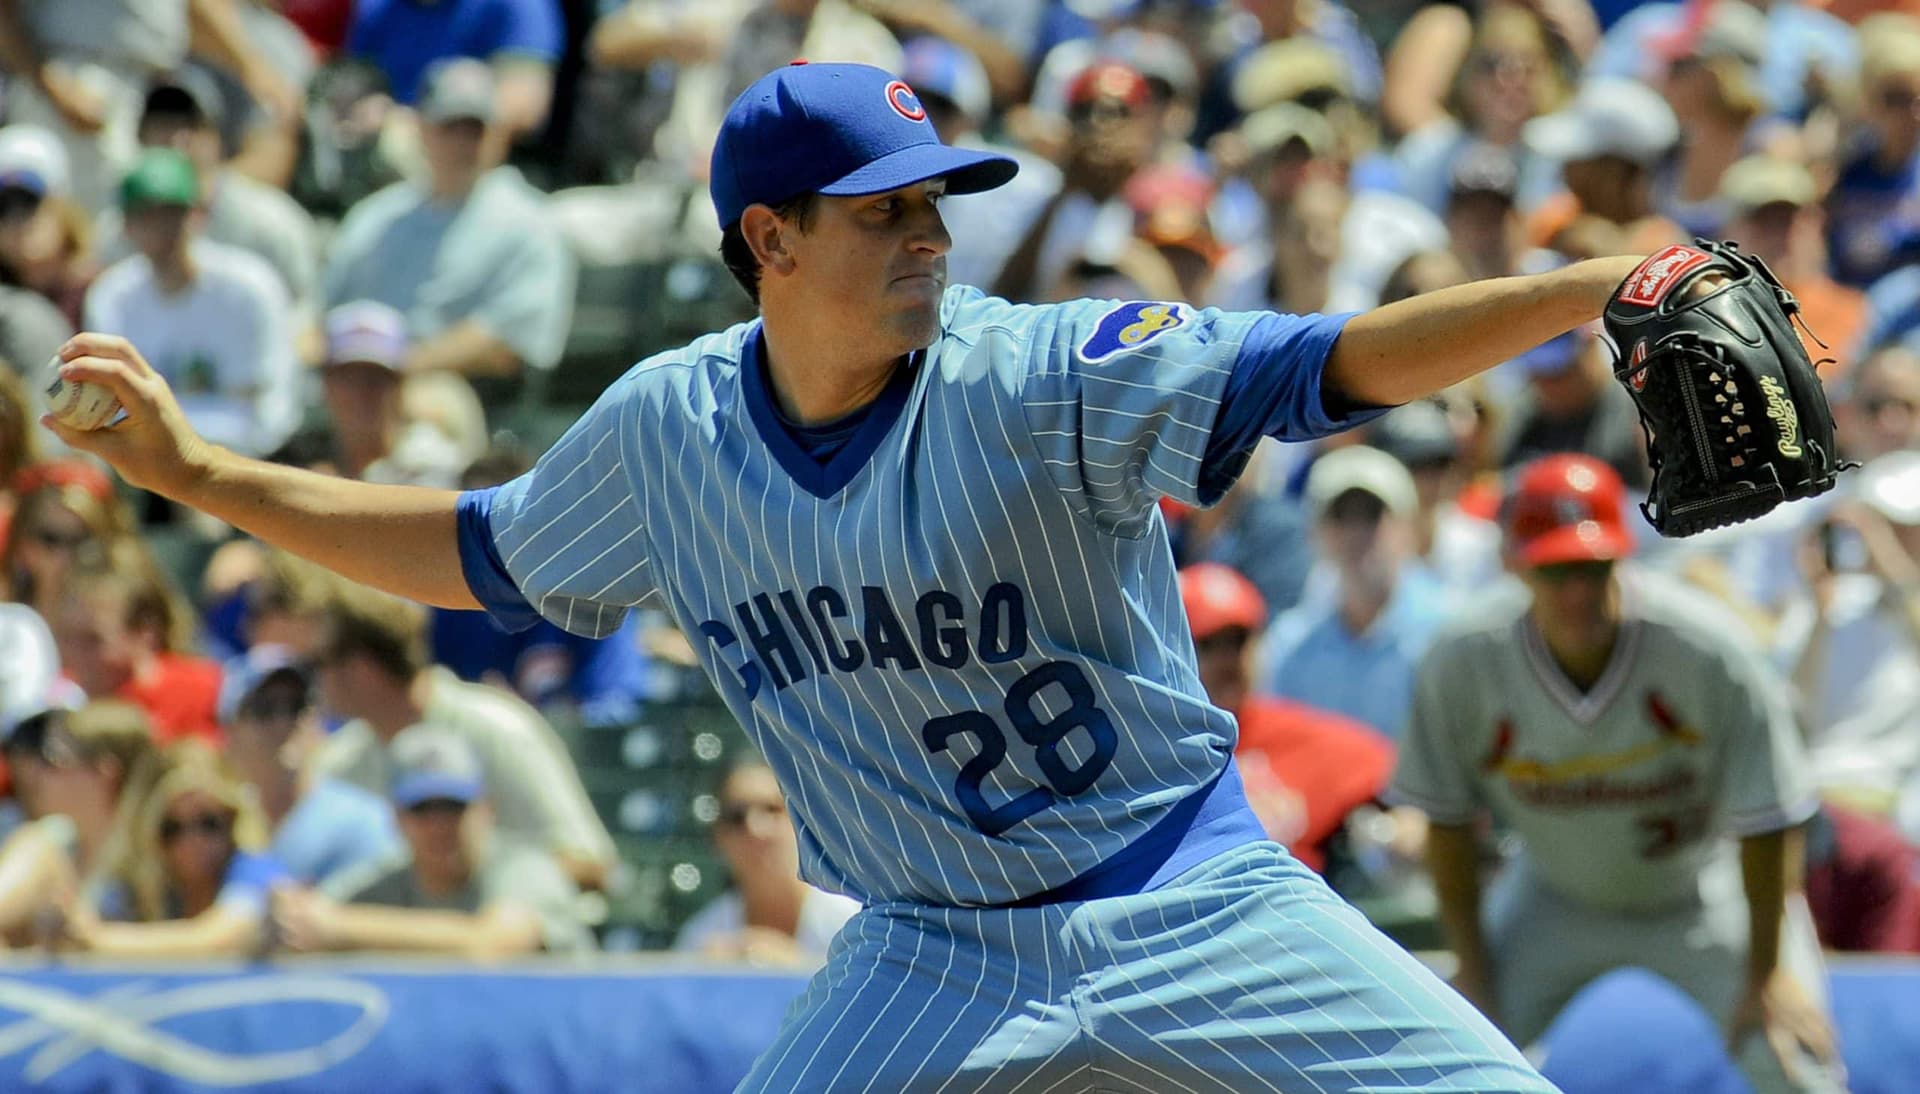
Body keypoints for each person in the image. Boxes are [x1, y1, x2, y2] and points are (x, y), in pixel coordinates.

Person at [45, 59, 1670, 1090]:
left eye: (935, 206)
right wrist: (204, 478)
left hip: (1185, 888)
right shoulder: (669, 430)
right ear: (769, 240)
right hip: (928, 948)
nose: (929, 238)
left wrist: (1588, 287)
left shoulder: (1039, 368)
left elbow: (1329, 363)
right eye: (882, 212)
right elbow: (474, 554)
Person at [1390, 453, 1843, 1094]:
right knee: (1448, 1063)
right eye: (1556, 569)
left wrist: (1768, 974)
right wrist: (1473, 970)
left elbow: (1770, 817)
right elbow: (1448, 823)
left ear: (1623, 556)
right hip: (1553, 896)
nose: (1577, 590)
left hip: (1699, 889)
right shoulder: (1464, 660)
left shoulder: (1706, 648)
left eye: (1592, 566)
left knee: (1795, 1058)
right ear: (1516, 565)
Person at [304, 580, 617, 891]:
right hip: (388, 924)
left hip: (526, 920)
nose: (313, 678)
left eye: (318, 661)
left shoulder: (496, 726)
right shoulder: (341, 759)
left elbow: (592, 866)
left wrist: (471, 871)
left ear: (361, 666)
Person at [321, 58, 576, 398]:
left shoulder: (530, 222)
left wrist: (394, 370)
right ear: (421, 128)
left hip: (460, 395)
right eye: (450, 127)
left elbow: (506, 346)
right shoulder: (377, 215)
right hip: (354, 385)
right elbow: (323, 312)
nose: (462, 142)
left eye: (475, 129)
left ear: (498, 134)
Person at [272, 725, 592, 958]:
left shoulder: (526, 867)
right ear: (396, 819)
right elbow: (303, 922)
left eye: (453, 806)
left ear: (485, 809)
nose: (439, 826)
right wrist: (287, 914)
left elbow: (492, 945)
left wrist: (340, 928)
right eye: (421, 809)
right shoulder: (386, 881)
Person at [1178, 561, 1396, 875]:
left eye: (1237, 641)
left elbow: (1401, 783)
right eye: (1207, 644)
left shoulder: (1297, 735)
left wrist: (1393, 830)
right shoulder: (1144, 752)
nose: (1227, 660)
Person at [83, 148, 300, 457]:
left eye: (171, 213)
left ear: (197, 215)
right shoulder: (112, 297)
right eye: (146, 214)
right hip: (152, 464)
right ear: (127, 225)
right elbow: (113, 406)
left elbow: (264, 405)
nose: (160, 227)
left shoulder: (248, 288)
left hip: (245, 460)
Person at [1258, 445, 1455, 741]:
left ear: (1408, 527)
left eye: (1371, 515)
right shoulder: (1288, 645)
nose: (1357, 532)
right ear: (1317, 534)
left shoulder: (1448, 633)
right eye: (1341, 516)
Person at [62, 740, 288, 956]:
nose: (192, 842)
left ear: (232, 819)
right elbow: (84, 924)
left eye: (208, 823)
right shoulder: (141, 884)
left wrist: (99, 940)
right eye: (172, 828)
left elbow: (223, 938)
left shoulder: (253, 869)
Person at [220, 646, 401, 888]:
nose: (284, 721)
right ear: (230, 731)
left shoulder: (362, 821)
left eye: (297, 705)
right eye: (265, 708)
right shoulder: (208, 823)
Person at [674, 757, 860, 965]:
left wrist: (788, 964)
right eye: (737, 817)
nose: (755, 828)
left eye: (772, 809)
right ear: (718, 837)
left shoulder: (853, 921)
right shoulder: (699, 938)